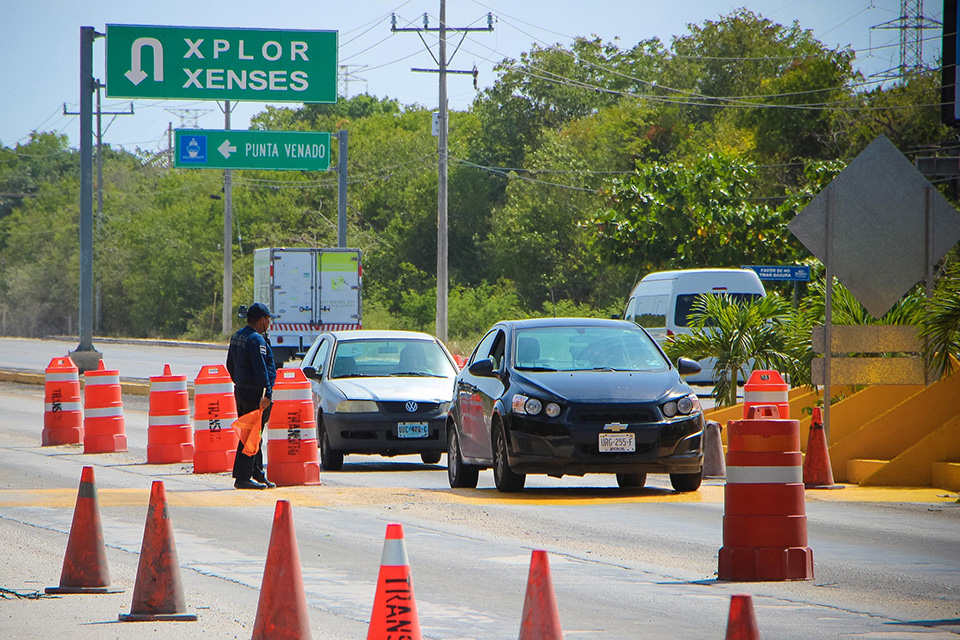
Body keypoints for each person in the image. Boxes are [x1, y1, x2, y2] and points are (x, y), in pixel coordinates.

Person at [227, 302, 278, 490]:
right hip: (255, 393)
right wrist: (267, 393)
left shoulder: (237, 337)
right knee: (250, 434)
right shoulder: (256, 340)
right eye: (269, 319)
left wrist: (239, 382)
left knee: (254, 434)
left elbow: (230, 365)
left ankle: (257, 472)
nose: (269, 323)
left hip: (241, 389)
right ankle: (242, 476)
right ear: (262, 320)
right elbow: (261, 369)